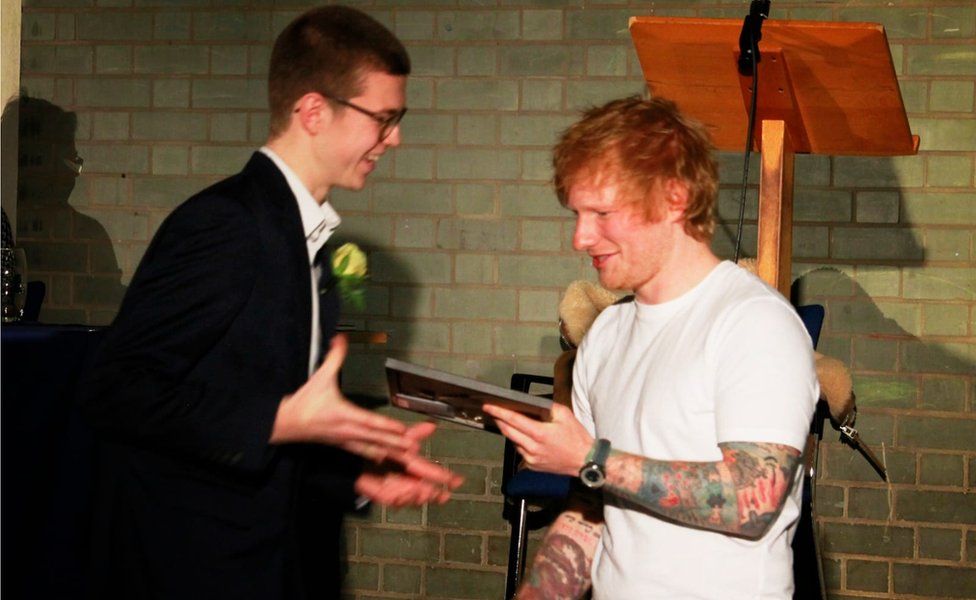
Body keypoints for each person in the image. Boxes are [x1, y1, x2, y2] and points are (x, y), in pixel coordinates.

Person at [78, 6, 461, 599]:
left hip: (269, 564)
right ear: (313, 111)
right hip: (192, 569)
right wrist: (284, 419)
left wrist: (354, 478)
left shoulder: (308, 240)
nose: (396, 138)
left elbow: (253, 421)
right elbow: (116, 391)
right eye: (384, 118)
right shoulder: (226, 226)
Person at [484, 96, 818, 599]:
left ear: (674, 198)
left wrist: (590, 458)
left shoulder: (754, 322)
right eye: (576, 214)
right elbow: (592, 508)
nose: (580, 237)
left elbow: (752, 500)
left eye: (601, 213)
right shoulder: (605, 335)